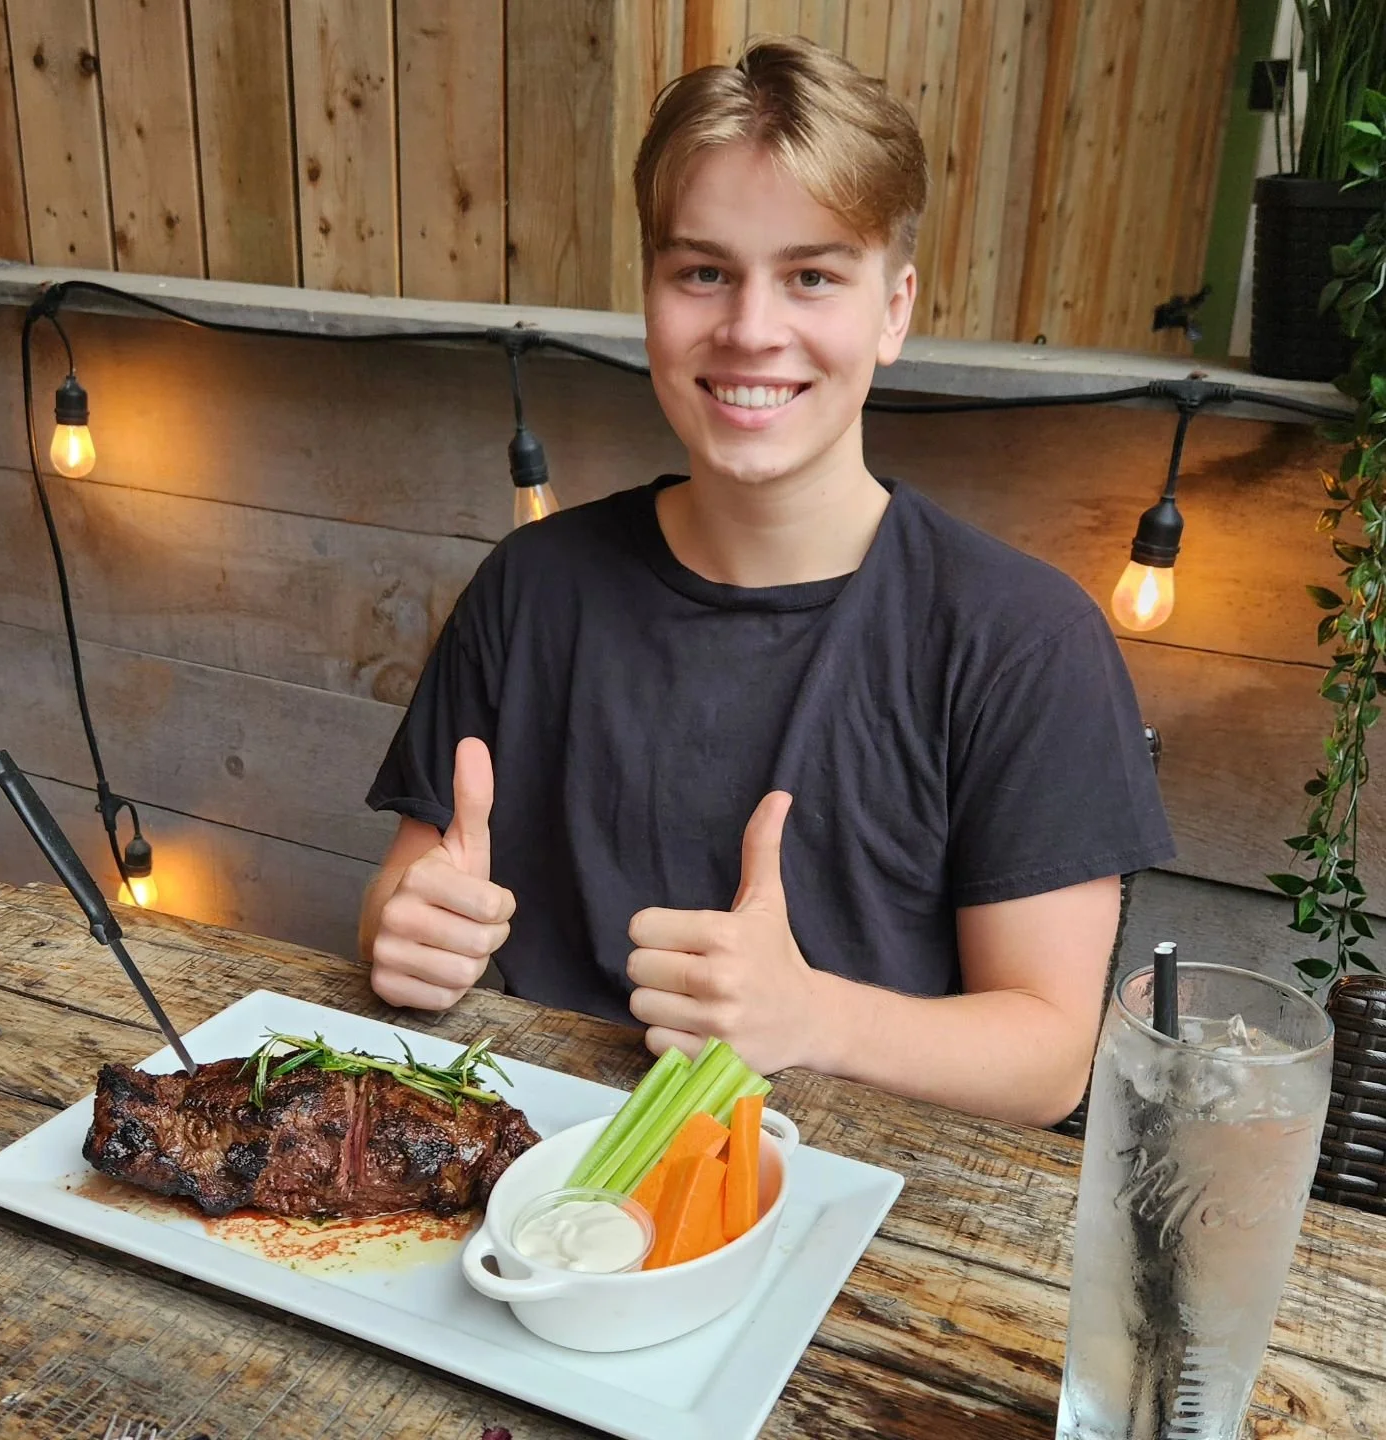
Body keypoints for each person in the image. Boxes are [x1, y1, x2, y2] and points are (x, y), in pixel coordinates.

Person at [358, 36, 1174, 1127]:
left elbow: (1049, 1059)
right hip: (527, 1175)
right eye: (704, 271)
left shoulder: (1022, 639)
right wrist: (403, 933)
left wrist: (813, 1017)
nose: (750, 330)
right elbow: (406, 895)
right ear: (650, 295)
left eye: (812, 277)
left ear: (893, 309)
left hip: (864, 1231)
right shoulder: (531, 584)